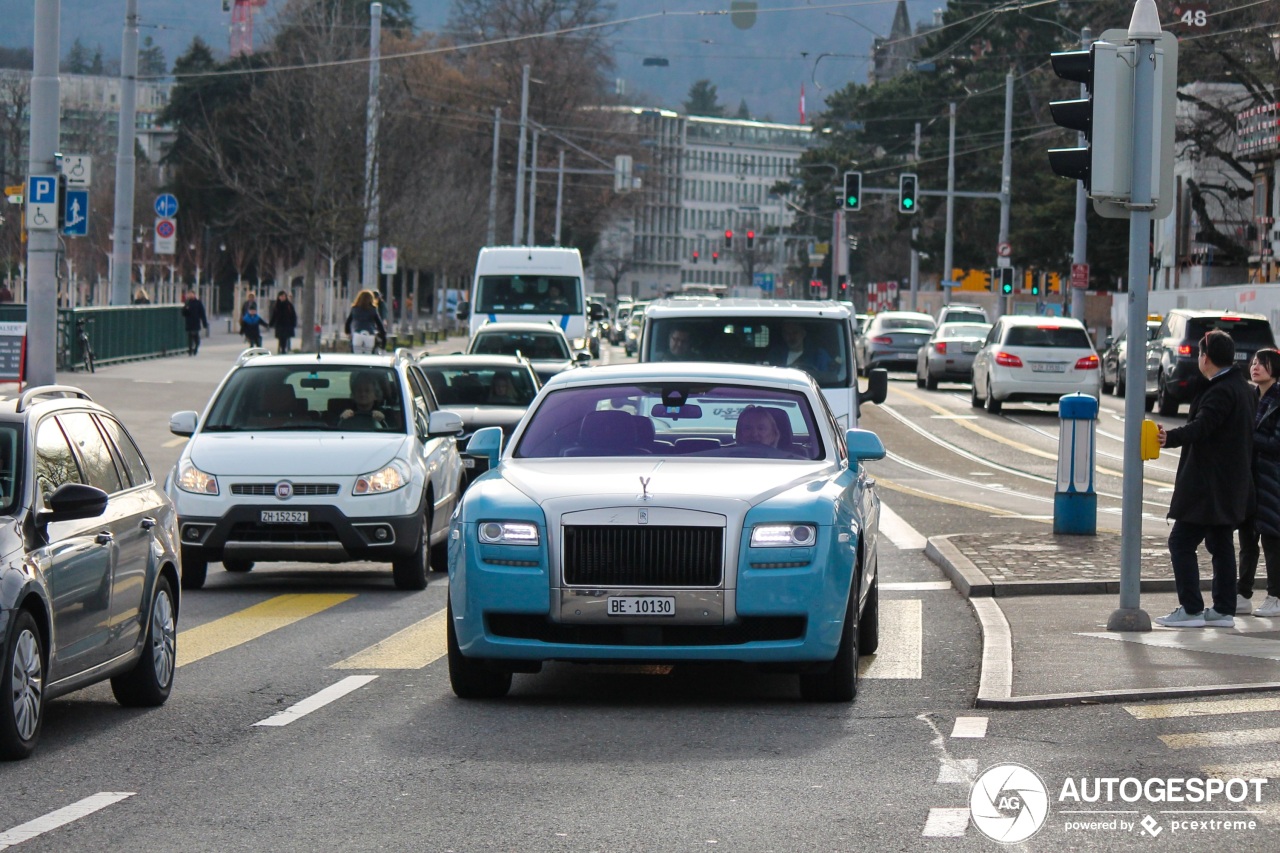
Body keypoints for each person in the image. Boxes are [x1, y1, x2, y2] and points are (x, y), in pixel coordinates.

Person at [1155, 329, 1256, 628]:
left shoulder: (1221, 390)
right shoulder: (1243, 387)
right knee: (1220, 540)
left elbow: (1202, 427)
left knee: (1181, 542)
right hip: (1230, 481)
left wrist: (1167, 438)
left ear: (1206, 357)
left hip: (1208, 485)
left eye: (1200, 353)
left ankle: (1191, 608)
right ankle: (1224, 609)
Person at [1239, 348, 1280, 617]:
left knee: (1272, 539)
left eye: (1262, 364)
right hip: (1249, 477)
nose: (1256, 367)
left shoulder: (1277, 401)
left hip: (1272, 479)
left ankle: (1275, 596)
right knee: (1247, 537)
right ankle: (1242, 594)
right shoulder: (1250, 397)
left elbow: (1277, 443)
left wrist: (1247, 437)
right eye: (1254, 363)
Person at [767, 321, 831, 373]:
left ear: (803, 334)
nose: (791, 337)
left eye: (795, 332)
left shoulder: (819, 355)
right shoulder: (775, 354)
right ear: (783, 335)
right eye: (787, 333)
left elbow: (826, 376)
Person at [181, 289, 209, 356]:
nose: (190, 295)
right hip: (189, 322)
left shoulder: (198, 303)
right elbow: (184, 313)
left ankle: (196, 347)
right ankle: (190, 350)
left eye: (191, 294)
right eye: (189, 294)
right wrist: (185, 309)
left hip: (196, 322)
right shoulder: (187, 303)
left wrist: (204, 323)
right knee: (190, 337)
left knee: (196, 337)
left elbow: (202, 313)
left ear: (194, 295)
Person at [269, 290, 298, 354]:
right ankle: (281, 348)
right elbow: (274, 315)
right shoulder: (276, 305)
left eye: (284, 296)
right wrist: (271, 323)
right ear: (279, 297)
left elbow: (293, 315)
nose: (283, 297)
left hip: (287, 325)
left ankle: (284, 349)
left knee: (285, 337)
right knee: (280, 337)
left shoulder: (289, 305)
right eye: (281, 296)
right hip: (279, 325)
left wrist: (293, 323)